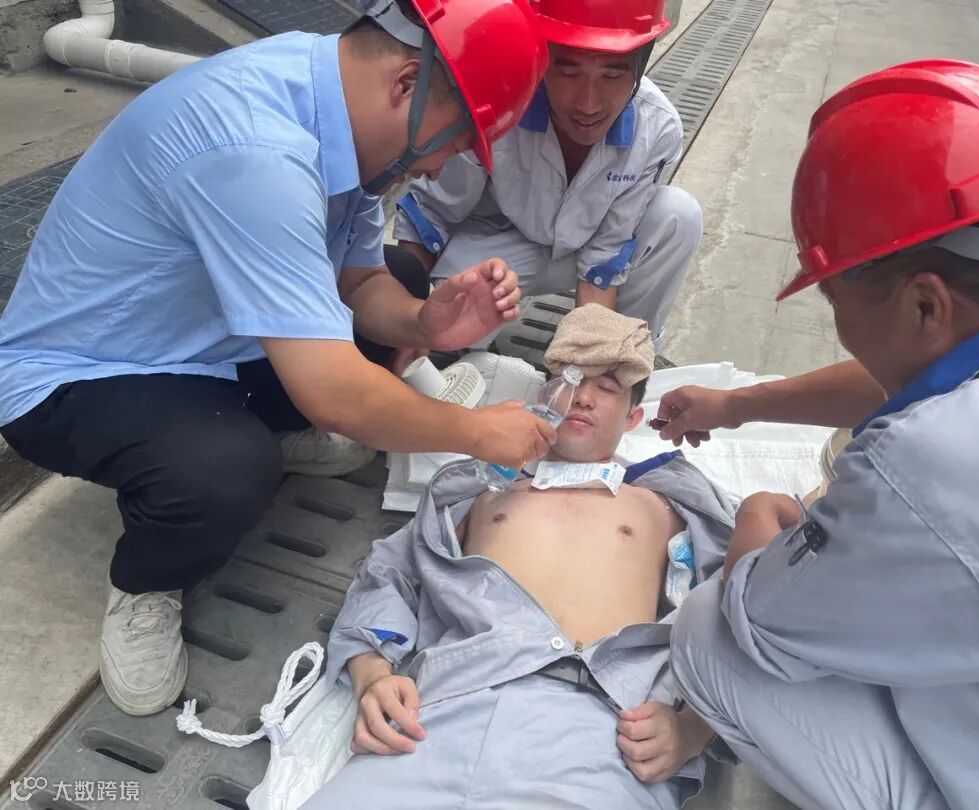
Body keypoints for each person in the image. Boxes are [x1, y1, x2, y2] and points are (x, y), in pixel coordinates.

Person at [0, 0, 555, 718]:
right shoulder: (256, 150)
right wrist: (479, 433)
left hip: (205, 339)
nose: (440, 165)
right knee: (229, 469)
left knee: (405, 275)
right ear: (405, 84)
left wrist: (428, 322)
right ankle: (147, 582)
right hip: (84, 372)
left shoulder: (338, 109)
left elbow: (360, 283)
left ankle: (265, 430)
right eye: (454, 142)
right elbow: (334, 392)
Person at [658, 60, 979, 809]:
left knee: (708, 631)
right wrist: (736, 405)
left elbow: (758, 624)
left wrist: (759, 517)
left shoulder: (934, 464)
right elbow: (943, 369)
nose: (840, 327)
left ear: (925, 304)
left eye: (833, 302)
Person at [309, 305, 734, 810]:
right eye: (571, 379)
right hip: (442, 708)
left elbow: (741, 615)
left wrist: (695, 727)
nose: (583, 396)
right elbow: (390, 574)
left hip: (602, 727)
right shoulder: (476, 491)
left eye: (607, 387)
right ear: (543, 396)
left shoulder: (667, 505)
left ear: (633, 418)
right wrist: (373, 673)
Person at [393, 0, 702, 345]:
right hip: (500, 243)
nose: (588, 104)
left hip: (584, 247)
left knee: (678, 215)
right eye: (568, 73)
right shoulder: (499, 100)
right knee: (454, 329)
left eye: (612, 76)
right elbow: (430, 214)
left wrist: (588, 353)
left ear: (639, 68)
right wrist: (407, 323)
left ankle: (629, 351)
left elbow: (606, 255)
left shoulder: (657, 128)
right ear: (541, 58)